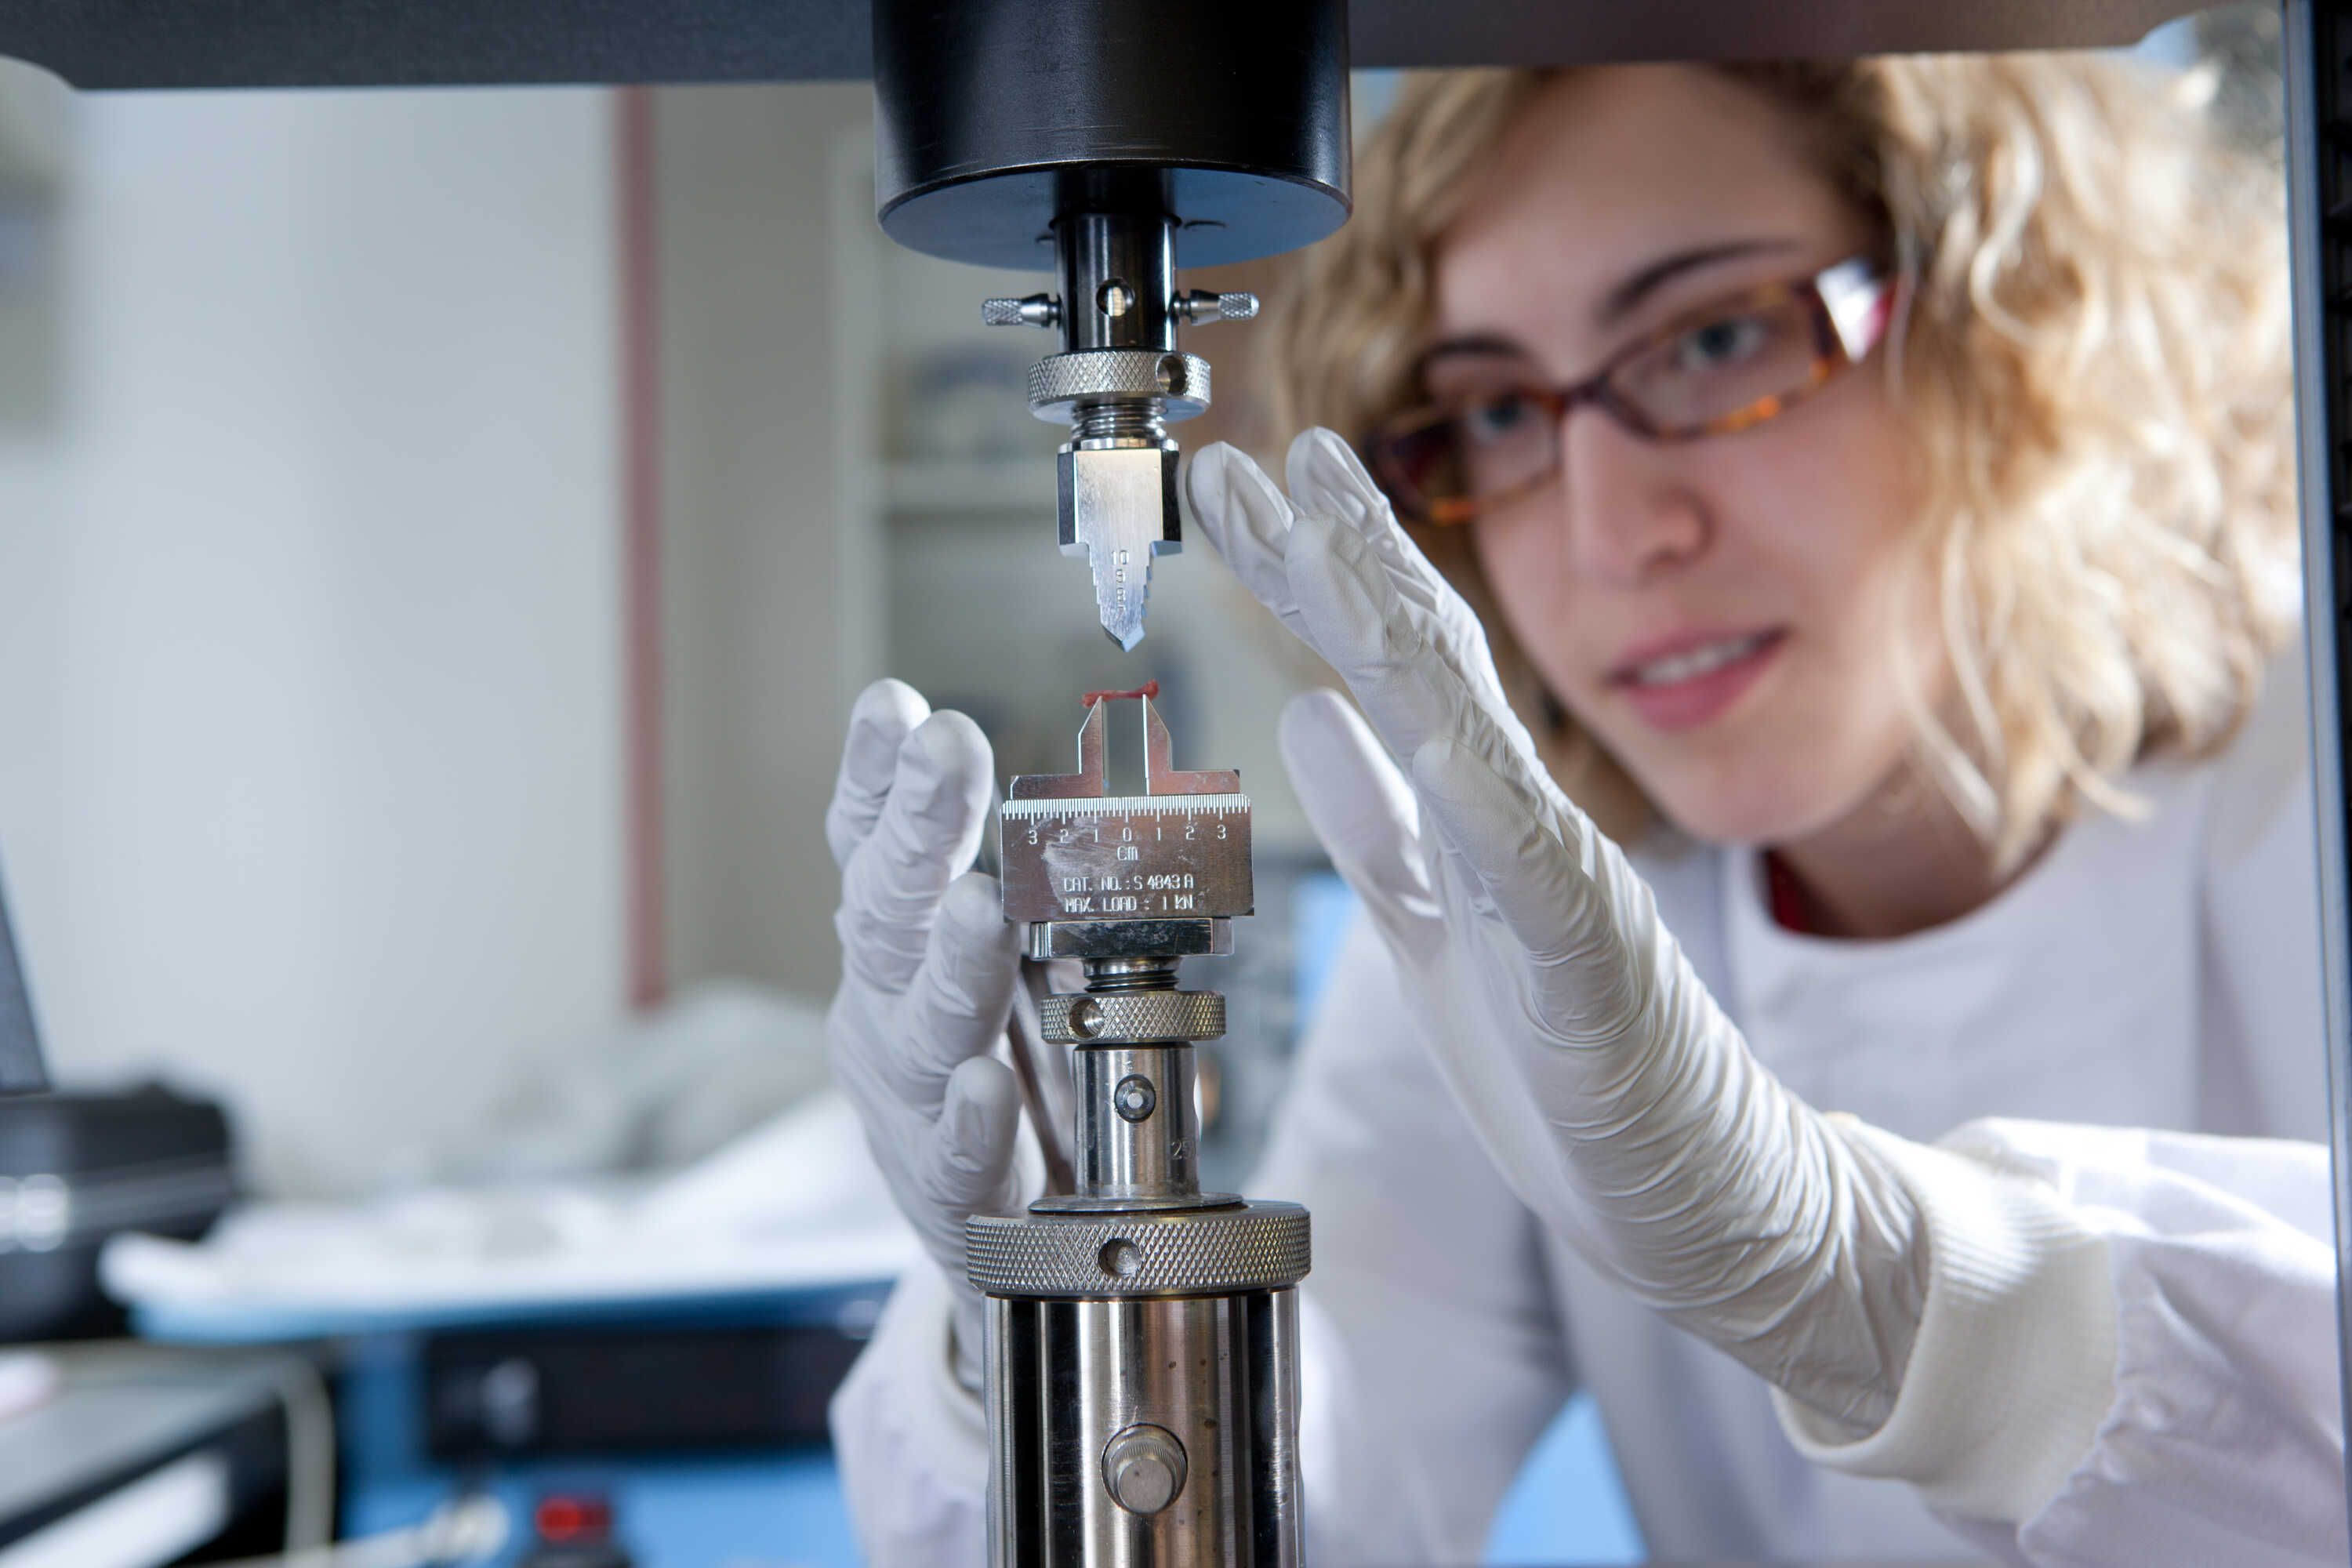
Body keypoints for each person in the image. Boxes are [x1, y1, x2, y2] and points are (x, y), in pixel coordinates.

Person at [823, 53, 2347, 1567]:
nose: (1617, 532)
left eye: (1717, 338)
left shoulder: (2315, 785)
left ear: (2016, 313)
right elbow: (1326, 1507)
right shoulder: (1523, 911)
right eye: (1492, 415)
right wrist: (1063, 1327)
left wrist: (1884, 1289)